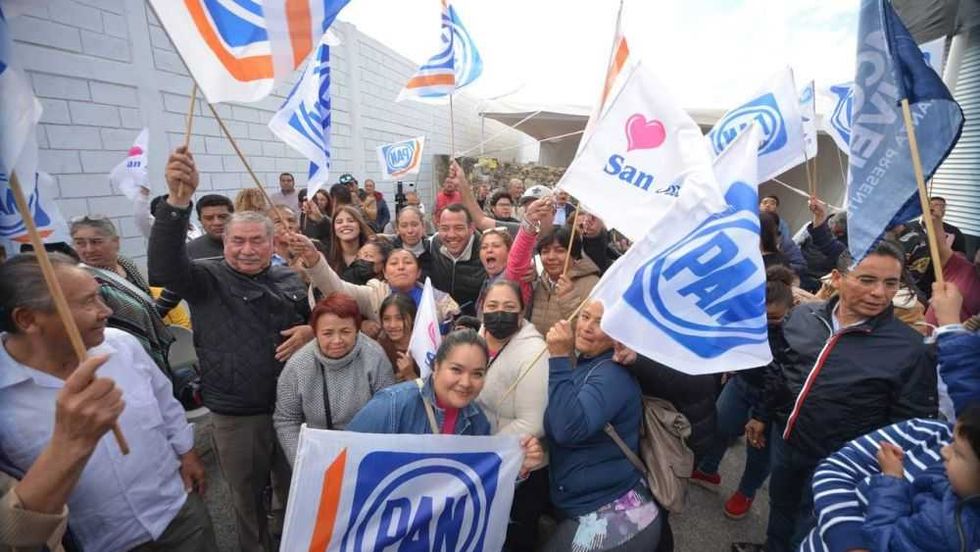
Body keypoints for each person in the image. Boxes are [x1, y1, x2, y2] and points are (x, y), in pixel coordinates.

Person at [152, 147, 313, 552]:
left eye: (256, 241)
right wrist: (176, 203)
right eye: (237, 240)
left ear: (272, 242)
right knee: (245, 500)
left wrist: (311, 330)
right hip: (238, 414)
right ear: (223, 241)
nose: (246, 249)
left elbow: (328, 321)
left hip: (292, 408)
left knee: (295, 491)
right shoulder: (206, 279)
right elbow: (164, 268)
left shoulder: (290, 278)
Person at [0, 253, 217, 552]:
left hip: (178, 513)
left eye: (100, 297)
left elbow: (165, 402)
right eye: (87, 302)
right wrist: (71, 442)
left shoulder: (122, 345)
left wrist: (186, 451)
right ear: (27, 319)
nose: (107, 311)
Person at [758, 240, 939, 552]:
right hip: (786, 443)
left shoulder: (909, 349)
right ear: (837, 278)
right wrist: (761, 416)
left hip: (840, 464)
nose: (879, 293)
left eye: (891, 283)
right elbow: (779, 374)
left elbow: (909, 424)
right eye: (867, 280)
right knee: (780, 507)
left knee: (811, 524)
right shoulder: (802, 318)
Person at [542, 301, 663, 551]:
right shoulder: (590, 362)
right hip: (589, 504)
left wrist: (558, 359)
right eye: (585, 316)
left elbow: (567, 428)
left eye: (601, 323)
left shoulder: (612, 375)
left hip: (616, 520)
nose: (587, 327)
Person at [346, 331, 544, 478]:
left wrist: (519, 467)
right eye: (456, 370)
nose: (466, 383)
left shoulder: (477, 422)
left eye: (477, 373)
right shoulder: (393, 404)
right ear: (436, 367)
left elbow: (480, 484)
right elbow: (344, 457)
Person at [690, 266, 797, 519]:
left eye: (773, 318)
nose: (765, 323)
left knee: (759, 450)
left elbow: (777, 377)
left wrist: (760, 416)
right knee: (719, 425)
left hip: (773, 400)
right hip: (741, 384)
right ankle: (707, 469)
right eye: (759, 315)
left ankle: (746, 492)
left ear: (791, 310)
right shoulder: (749, 313)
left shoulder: (795, 335)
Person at [274, 293, 395, 464]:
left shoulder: (374, 357)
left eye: (345, 331)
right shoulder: (297, 365)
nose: (337, 340)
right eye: (328, 333)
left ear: (357, 330)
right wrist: (302, 462)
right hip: (316, 454)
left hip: (367, 452)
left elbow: (389, 413)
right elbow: (286, 419)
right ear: (315, 332)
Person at [474, 280, 550, 550]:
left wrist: (479, 450)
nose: (499, 313)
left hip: (519, 466)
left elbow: (533, 422)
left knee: (515, 537)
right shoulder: (479, 335)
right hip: (483, 462)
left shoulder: (534, 352)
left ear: (521, 313)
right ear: (482, 307)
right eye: (493, 305)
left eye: (509, 307)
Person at [298, 236, 457, 322]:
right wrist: (313, 259)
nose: (401, 267)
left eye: (407, 262)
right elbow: (336, 287)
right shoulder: (373, 295)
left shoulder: (440, 300)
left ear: (418, 272)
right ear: (385, 273)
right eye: (394, 263)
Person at [522, 225, 600, 336]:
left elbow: (588, 333)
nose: (551, 257)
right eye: (545, 251)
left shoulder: (592, 284)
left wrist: (568, 300)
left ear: (574, 254)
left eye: (559, 251)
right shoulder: (539, 282)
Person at [429, 204, 487, 316]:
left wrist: (532, 268)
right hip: (441, 321)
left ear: (471, 228)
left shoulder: (486, 250)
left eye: (458, 228)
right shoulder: (433, 244)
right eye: (445, 228)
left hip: (476, 324)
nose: (451, 235)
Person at [70, 215, 150, 292]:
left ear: (115, 242)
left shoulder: (126, 263)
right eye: (80, 243)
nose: (89, 250)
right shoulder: (84, 281)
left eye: (96, 242)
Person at [376, 293, 418, 382]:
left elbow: (431, 393)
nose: (392, 325)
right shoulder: (378, 348)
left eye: (399, 318)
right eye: (386, 319)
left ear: (413, 318)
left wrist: (410, 375)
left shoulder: (425, 345)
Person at [326, 205, 376, 275]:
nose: (345, 224)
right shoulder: (327, 257)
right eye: (339, 222)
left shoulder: (374, 255)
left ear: (360, 225)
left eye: (351, 221)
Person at [185, 194, 233, 261]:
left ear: (234, 217)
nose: (217, 223)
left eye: (223, 217)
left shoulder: (249, 244)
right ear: (200, 221)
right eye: (209, 218)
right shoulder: (188, 252)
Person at [390, 205, 433, 279]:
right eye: (404, 226)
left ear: (423, 226)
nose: (410, 230)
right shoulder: (389, 251)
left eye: (414, 225)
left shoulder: (433, 250)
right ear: (397, 229)